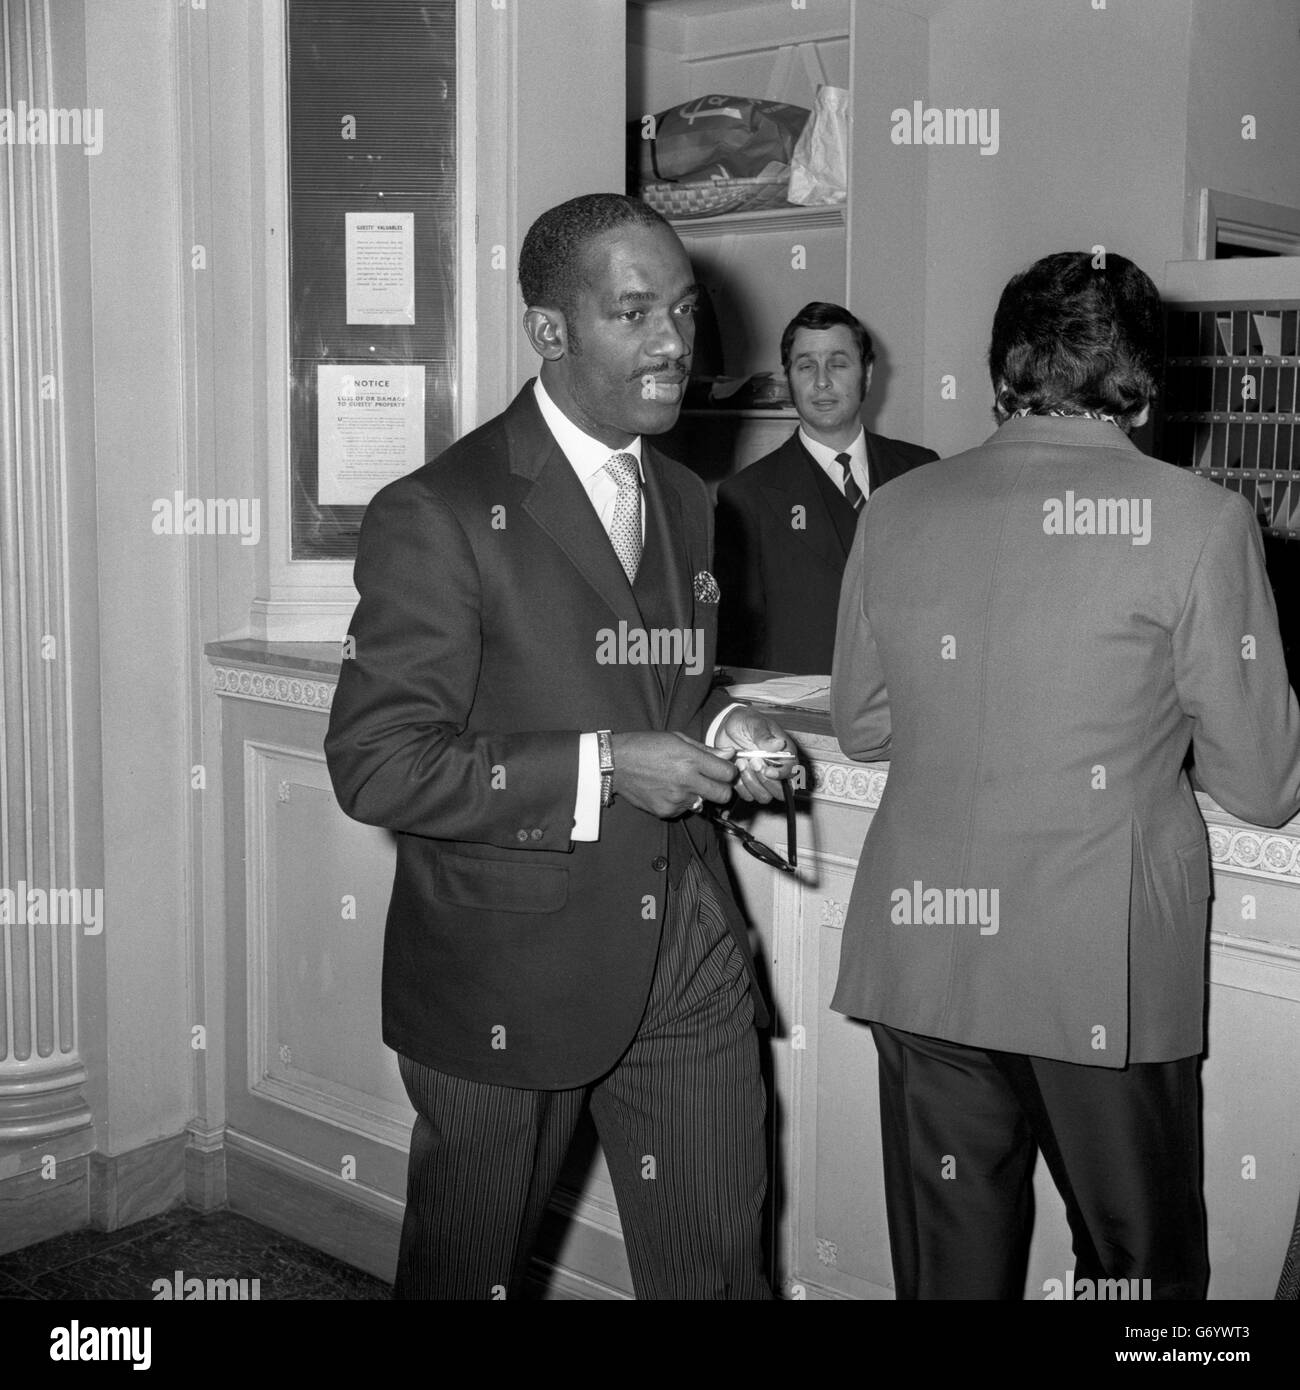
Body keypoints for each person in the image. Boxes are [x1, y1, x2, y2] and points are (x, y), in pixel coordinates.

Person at [325, 193, 794, 1300]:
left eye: (682, 310)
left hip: (688, 950)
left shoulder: (684, 495)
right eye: (635, 313)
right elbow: (378, 760)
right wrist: (602, 765)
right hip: (507, 972)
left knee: (717, 1271)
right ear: (549, 329)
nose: (675, 342)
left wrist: (721, 722)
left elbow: (650, 683)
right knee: (467, 1274)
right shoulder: (437, 511)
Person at [829, 251, 1300, 1300]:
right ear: (1143, 376)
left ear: (1001, 366)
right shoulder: (1200, 520)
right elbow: (1264, 785)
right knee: (1135, 1273)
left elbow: (861, 726)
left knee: (952, 1269)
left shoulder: (897, 508)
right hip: (1099, 967)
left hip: (925, 953)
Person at [715, 302, 937, 674]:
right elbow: (738, 650)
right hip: (807, 716)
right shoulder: (746, 497)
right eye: (805, 366)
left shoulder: (922, 471)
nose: (821, 382)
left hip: (910, 702)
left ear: (866, 374)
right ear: (788, 379)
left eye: (837, 363)